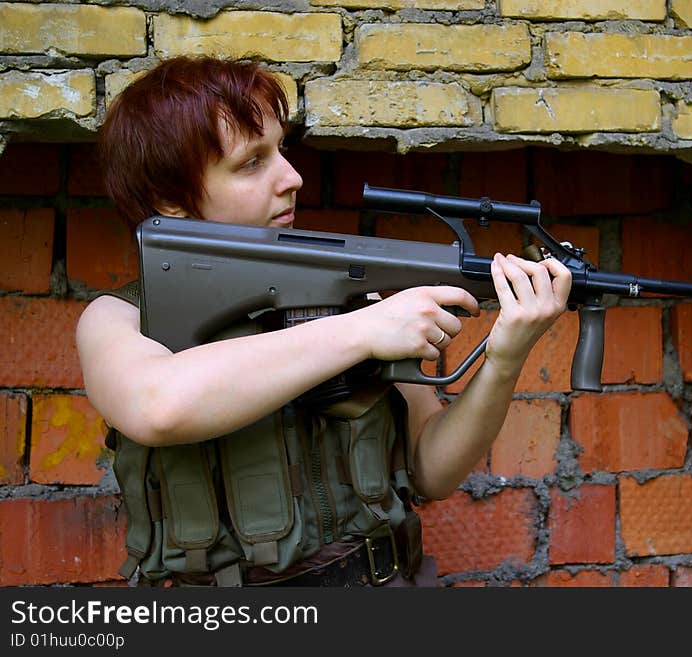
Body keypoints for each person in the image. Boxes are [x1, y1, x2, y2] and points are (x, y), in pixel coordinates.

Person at [76, 55, 572, 587]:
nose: (292, 177)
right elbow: (160, 405)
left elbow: (433, 468)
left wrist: (506, 354)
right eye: (251, 162)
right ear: (169, 201)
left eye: (281, 151)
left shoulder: (354, 298)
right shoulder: (120, 320)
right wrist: (363, 331)